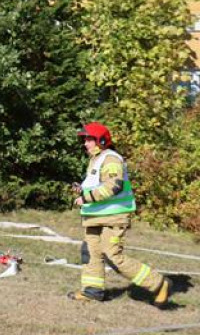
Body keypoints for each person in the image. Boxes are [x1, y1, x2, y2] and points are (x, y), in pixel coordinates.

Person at [68, 123, 171, 306]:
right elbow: (97, 185)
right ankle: (92, 291)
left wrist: (86, 198)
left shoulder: (111, 159)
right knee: (90, 252)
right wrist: (81, 189)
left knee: (113, 256)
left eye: (89, 139)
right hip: (96, 216)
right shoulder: (96, 159)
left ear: (101, 140)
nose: (85, 143)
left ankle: (158, 283)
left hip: (113, 217)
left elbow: (114, 187)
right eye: (84, 139)